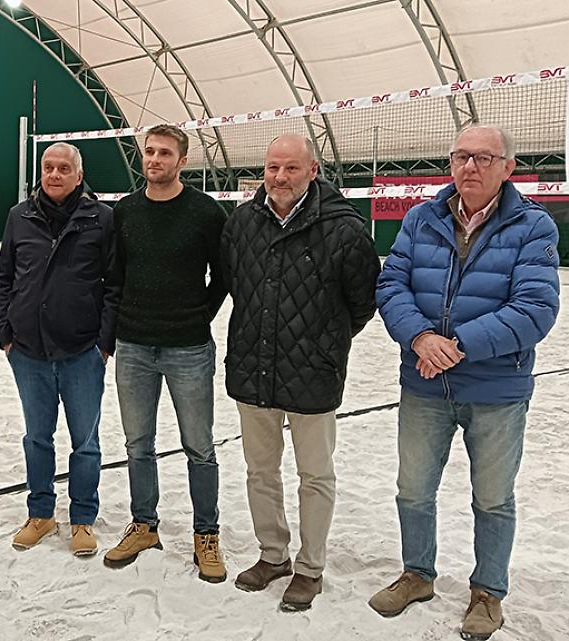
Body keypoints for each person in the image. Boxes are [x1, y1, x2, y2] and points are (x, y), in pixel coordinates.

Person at [370, 125, 559, 641]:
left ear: (506, 167)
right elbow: (391, 286)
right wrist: (419, 338)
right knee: (413, 490)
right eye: (460, 157)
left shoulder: (532, 227)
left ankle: (487, 593)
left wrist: (456, 345)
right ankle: (417, 575)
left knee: (493, 498)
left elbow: (536, 309)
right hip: (424, 384)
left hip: (496, 391)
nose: (469, 167)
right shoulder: (420, 218)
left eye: (482, 158)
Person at [221, 133, 379, 611]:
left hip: (313, 372)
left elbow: (362, 302)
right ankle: (273, 555)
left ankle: (310, 568)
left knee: (315, 476)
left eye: (290, 168)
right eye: (272, 168)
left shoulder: (344, 229)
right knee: (260, 472)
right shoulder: (243, 222)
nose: (279, 178)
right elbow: (234, 283)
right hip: (253, 368)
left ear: (313, 171)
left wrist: (323, 341)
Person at [101, 124, 229, 583]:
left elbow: (225, 276)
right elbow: (114, 276)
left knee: (200, 447)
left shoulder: (205, 213)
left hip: (188, 348)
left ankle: (206, 534)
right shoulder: (125, 212)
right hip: (133, 346)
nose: (154, 159)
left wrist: (199, 317)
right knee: (138, 444)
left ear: (182, 160)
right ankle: (145, 525)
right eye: (149, 152)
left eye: (164, 153)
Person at [0, 142, 122, 557]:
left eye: (63, 168)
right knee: (37, 438)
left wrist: (103, 343)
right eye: (48, 167)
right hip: (28, 352)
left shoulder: (102, 219)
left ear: (79, 176)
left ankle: (82, 519)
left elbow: (114, 286)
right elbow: (4, 278)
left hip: (82, 352)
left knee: (85, 442)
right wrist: (6, 335)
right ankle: (41, 514)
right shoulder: (19, 216)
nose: (54, 174)